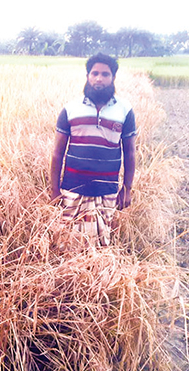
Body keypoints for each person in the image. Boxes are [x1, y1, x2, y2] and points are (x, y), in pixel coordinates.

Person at [50, 53, 136, 246]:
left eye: (105, 74)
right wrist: (54, 190)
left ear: (113, 77)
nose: (99, 78)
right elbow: (57, 153)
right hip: (72, 190)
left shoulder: (125, 110)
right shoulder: (70, 109)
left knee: (102, 245)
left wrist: (127, 189)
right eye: (95, 73)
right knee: (68, 243)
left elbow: (130, 153)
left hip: (107, 190)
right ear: (87, 76)